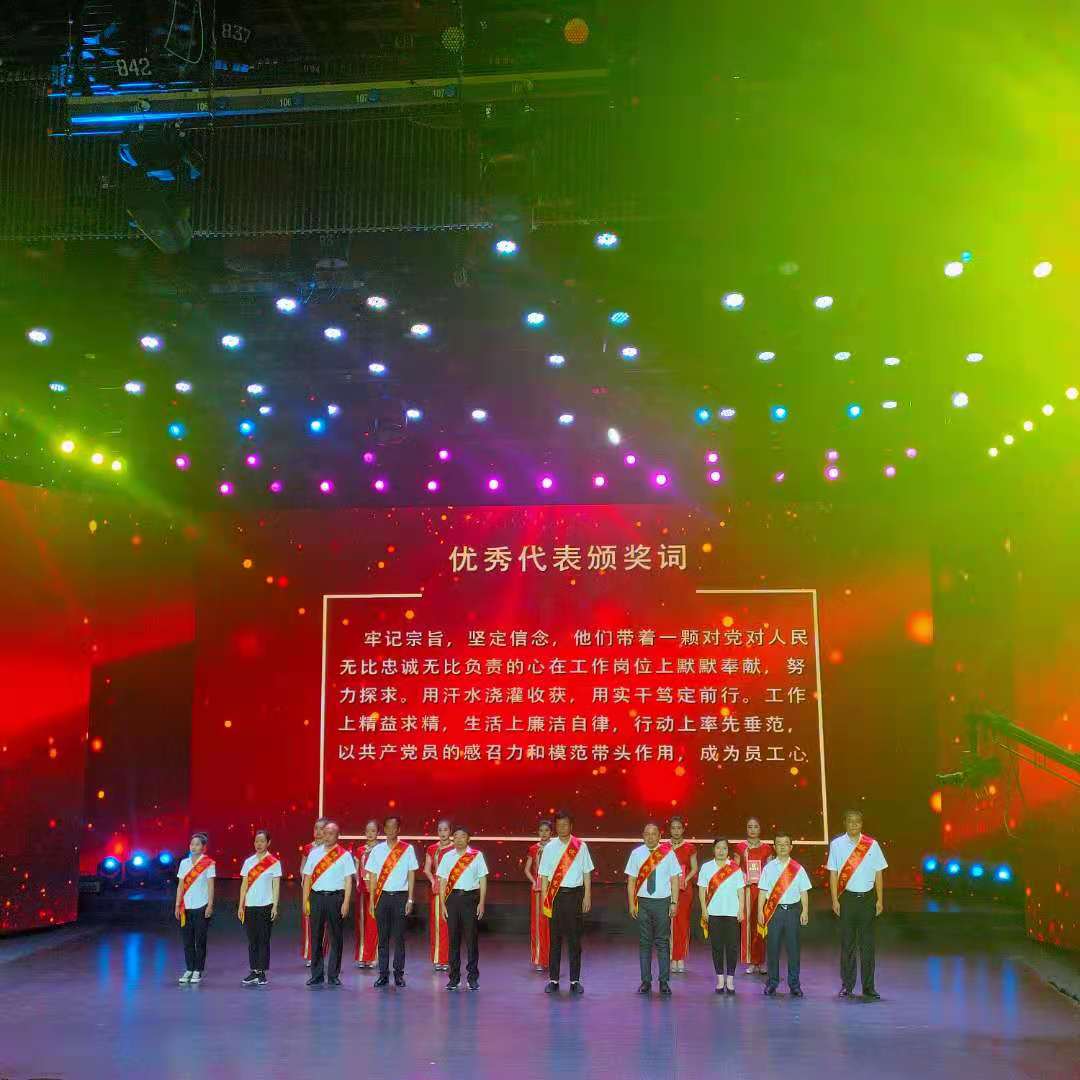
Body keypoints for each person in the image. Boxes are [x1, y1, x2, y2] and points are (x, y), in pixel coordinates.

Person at [827, 809, 887, 1001]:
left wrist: (880, 899)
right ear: (844, 823)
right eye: (850, 821)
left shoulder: (872, 844)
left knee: (867, 946)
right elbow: (833, 873)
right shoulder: (836, 844)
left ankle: (869, 987)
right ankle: (847, 986)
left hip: (868, 899)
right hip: (847, 900)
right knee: (848, 945)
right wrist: (835, 899)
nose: (854, 824)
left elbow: (879, 872)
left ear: (862, 824)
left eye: (857, 821)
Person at [539, 810, 594, 996]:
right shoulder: (549, 847)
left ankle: (574, 981)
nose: (562, 827)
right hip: (555, 897)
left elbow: (587, 872)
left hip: (575, 896)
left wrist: (587, 896)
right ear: (555, 827)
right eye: (559, 825)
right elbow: (544, 875)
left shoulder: (580, 846)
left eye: (565, 824)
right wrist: (545, 899)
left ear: (571, 826)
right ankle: (553, 980)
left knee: (574, 940)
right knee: (555, 940)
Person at [625, 821, 682, 995]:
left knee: (663, 942)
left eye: (654, 834)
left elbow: (675, 879)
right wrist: (632, 903)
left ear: (659, 836)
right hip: (643, 902)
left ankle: (664, 982)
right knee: (645, 943)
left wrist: (674, 902)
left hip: (662, 902)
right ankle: (646, 981)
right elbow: (631, 881)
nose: (650, 837)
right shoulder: (636, 853)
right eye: (647, 834)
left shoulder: (668, 853)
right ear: (643, 836)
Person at [365, 815, 419, 988]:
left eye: (394, 827)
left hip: (401, 897)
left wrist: (410, 898)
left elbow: (411, 874)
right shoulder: (377, 850)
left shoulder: (407, 849)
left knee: (399, 938)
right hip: (382, 897)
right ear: (384, 829)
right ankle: (383, 975)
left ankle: (398, 975)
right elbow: (373, 876)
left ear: (398, 829)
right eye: (388, 827)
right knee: (383, 938)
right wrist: (372, 900)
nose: (391, 830)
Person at [757, 832, 811, 997]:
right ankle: (772, 983)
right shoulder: (768, 868)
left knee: (793, 950)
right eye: (779, 844)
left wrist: (805, 910)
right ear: (774, 847)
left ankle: (794, 985)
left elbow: (804, 891)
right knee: (772, 949)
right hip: (774, 912)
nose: (782, 847)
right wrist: (760, 911)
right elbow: (763, 891)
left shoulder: (798, 868)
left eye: (785, 844)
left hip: (793, 912)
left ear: (791, 847)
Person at [301, 820, 354, 988]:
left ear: (338, 836)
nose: (327, 836)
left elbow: (348, 881)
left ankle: (333, 975)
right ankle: (316, 975)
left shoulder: (344, 855)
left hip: (335, 898)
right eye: (325, 833)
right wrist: (305, 900)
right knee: (316, 937)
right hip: (316, 898)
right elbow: (307, 878)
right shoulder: (314, 854)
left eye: (331, 833)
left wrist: (346, 902)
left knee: (336, 937)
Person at [437, 825, 489, 991]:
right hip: (452, 900)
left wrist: (481, 902)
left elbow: (482, 880)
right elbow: (443, 881)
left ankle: (472, 978)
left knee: (471, 940)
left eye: (463, 836)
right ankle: (454, 978)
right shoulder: (447, 857)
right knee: (453, 940)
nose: (459, 839)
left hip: (470, 900)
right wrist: (442, 904)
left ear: (469, 839)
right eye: (456, 836)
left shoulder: (476, 855)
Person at [697, 838, 746, 994]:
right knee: (717, 947)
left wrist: (741, 909)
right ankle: (719, 979)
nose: (721, 851)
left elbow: (741, 890)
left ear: (727, 850)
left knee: (732, 947)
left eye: (724, 848)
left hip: (732, 913)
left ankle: (730, 979)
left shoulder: (735, 868)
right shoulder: (706, 867)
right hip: (713, 913)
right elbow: (701, 890)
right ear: (714, 849)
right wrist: (704, 910)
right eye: (718, 848)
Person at [237, 828, 281, 987]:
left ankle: (262, 972)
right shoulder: (248, 862)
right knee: (252, 940)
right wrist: (241, 905)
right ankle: (254, 970)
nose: (259, 844)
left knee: (263, 939)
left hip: (266, 906)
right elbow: (244, 885)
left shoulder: (274, 862)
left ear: (268, 843)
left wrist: (275, 906)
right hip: (250, 905)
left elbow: (276, 886)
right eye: (256, 841)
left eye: (262, 841)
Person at [732, 816, 773, 974]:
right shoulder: (740, 847)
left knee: (761, 924)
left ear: (760, 829)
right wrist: (744, 878)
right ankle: (751, 961)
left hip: (762, 891)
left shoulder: (767, 848)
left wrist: (764, 880)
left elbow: (770, 870)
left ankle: (761, 961)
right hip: (746, 890)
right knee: (747, 925)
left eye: (756, 826)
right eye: (750, 826)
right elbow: (735, 869)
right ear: (746, 829)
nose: (753, 829)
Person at [175, 831, 215, 985]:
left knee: (200, 940)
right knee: (187, 941)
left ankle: (198, 969)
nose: (193, 847)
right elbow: (180, 885)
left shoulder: (209, 863)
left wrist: (210, 905)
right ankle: (189, 968)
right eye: (192, 844)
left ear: (204, 847)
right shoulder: (184, 863)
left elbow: (211, 886)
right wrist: (177, 904)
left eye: (197, 844)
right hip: (186, 907)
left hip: (201, 906)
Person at [424, 819, 455, 971]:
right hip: (438, 890)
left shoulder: (456, 848)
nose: (443, 833)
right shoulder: (432, 849)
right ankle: (439, 959)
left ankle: (450, 958)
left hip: (452, 888)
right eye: (440, 830)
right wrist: (433, 881)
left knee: (450, 924)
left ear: (450, 831)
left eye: (445, 830)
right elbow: (427, 869)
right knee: (438, 923)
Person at [667, 816, 697, 973]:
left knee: (683, 922)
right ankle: (672, 957)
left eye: (679, 828)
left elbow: (694, 868)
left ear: (683, 829)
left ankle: (681, 958)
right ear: (670, 830)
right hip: (668, 889)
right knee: (671, 923)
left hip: (685, 889)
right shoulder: (664, 847)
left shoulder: (690, 847)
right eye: (673, 828)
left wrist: (685, 879)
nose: (676, 831)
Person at [523, 820, 553, 971]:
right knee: (538, 923)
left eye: (546, 830)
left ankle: (551, 958)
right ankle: (539, 959)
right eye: (541, 830)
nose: (544, 833)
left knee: (550, 923)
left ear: (551, 832)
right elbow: (527, 869)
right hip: (538, 888)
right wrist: (534, 881)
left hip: (552, 887)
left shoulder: (555, 848)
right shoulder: (533, 849)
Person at [300, 817, 328, 966]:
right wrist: (305, 881)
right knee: (309, 922)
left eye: (321, 829)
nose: (318, 831)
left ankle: (321, 953)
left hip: (325, 890)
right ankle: (311, 954)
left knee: (324, 924)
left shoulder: (331, 850)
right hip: (310, 889)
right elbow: (303, 867)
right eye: (316, 828)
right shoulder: (308, 848)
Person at [353, 819, 380, 969]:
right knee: (362, 923)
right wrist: (358, 882)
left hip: (376, 891)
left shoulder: (381, 850)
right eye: (368, 831)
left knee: (373, 923)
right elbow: (356, 870)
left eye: (373, 831)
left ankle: (373, 956)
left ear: (378, 833)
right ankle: (363, 955)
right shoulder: (360, 850)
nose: (370, 834)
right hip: (363, 891)